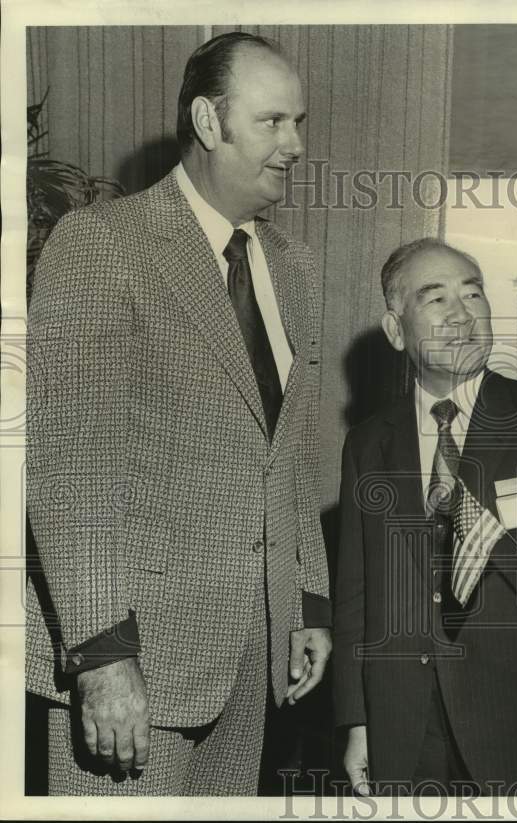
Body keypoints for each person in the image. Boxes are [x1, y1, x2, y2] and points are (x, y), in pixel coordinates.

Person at [26, 31, 332, 795]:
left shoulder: (292, 267)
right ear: (207, 120)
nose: (295, 144)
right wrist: (102, 656)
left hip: (254, 659)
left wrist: (308, 602)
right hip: (137, 668)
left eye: (300, 122)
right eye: (273, 122)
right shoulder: (101, 242)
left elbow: (289, 455)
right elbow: (71, 468)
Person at [332, 238, 517, 795]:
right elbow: (356, 595)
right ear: (395, 330)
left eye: (473, 294)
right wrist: (357, 720)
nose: (462, 314)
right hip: (401, 725)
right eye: (435, 299)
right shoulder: (368, 443)